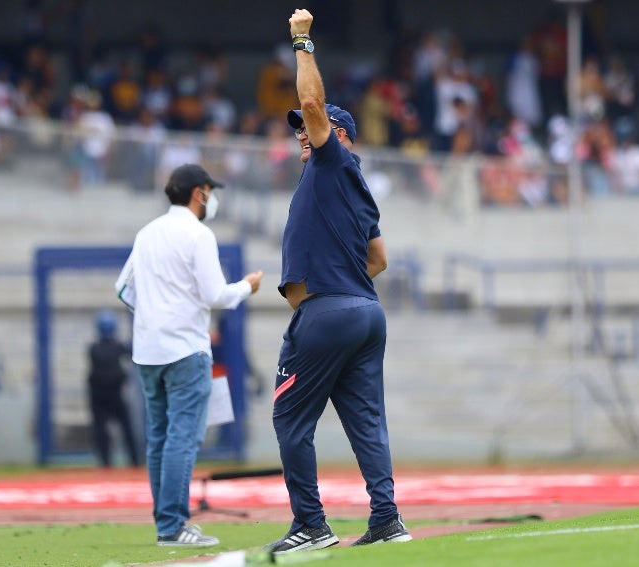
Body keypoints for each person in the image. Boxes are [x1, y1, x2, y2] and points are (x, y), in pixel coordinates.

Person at [266, 8, 412, 554]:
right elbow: (379, 257)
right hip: (364, 313)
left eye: (311, 128)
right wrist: (345, 283)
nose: (302, 132)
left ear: (336, 133)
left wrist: (302, 40)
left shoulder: (331, 164)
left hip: (327, 313)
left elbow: (309, 102)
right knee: (367, 424)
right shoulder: (352, 187)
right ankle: (387, 519)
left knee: (289, 420)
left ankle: (312, 524)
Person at [115, 163, 263, 546]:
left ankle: (167, 523)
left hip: (148, 351)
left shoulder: (147, 233)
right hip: (185, 349)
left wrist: (155, 316)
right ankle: (173, 525)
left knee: (160, 438)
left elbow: (123, 289)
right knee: (182, 438)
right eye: (210, 192)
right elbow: (216, 295)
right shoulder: (198, 235)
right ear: (199, 192)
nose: (211, 199)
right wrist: (247, 287)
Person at [86, 309, 139, 468]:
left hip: (103, 397)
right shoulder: (108, 348)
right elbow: (129, 351)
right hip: (109, 396)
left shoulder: (94, 348)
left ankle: (108, 462)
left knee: (105, 430)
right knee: (115, 429)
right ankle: (133, 461)